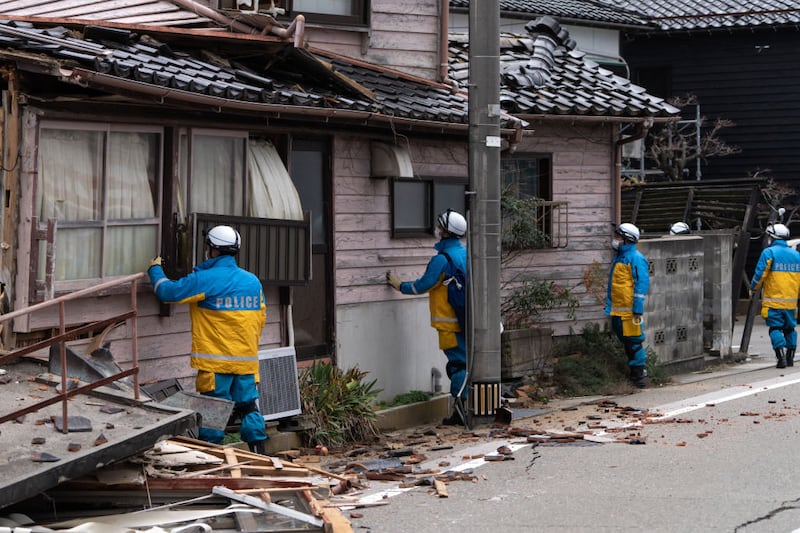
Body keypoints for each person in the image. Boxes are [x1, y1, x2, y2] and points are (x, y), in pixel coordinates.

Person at [147, 225, 268, 453]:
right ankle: (259, 452)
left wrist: (155, 269)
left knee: (214, 412)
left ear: (212, 249)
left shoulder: (205, 279)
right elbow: (261, 318)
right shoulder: (252, 282)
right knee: (249, 407)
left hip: (216, 364)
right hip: (246, 362)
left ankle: (214, 463)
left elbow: (168, 292)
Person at [386, 209, 468, 426]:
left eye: (440, 226)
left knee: (459, 366)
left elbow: (423, 285)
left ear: (446, 232)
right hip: (467, 319)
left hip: (449, 323)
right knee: (467, 363)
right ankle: (470, 410)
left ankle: (460, 414)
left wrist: (399, 285)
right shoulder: (466, 254)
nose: (437, 229)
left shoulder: (441, 260)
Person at [605, 223, 650, 388]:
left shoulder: (636, 258)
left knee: (634, 342)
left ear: (627, 239)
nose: (615, 240)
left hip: (630, 311)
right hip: (618, 310)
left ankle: (638, 376)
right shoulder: (619, 256)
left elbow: (642, 283)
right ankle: (633, 372)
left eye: (618, 237)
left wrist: (637, 308)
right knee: (626, 342)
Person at [749, 223, 800, 369]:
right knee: (790, 329)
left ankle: (781, 358)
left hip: (773, 302)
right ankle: (790, 358)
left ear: (772, 237)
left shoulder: (769, 253)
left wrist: (753, 289)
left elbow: (760, 274)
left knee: (775, 328)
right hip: (791, 303)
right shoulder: (797, 255)